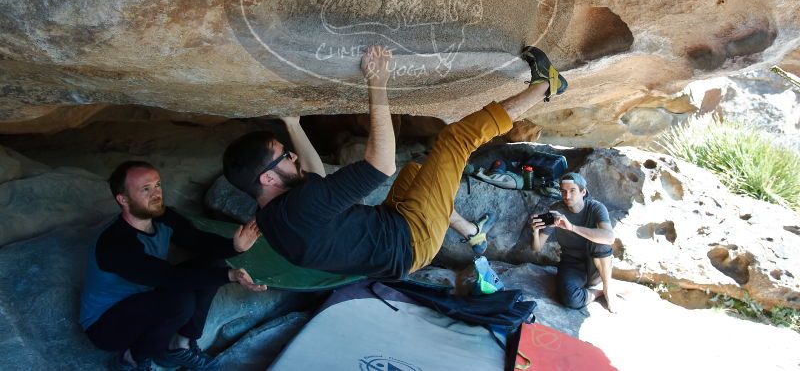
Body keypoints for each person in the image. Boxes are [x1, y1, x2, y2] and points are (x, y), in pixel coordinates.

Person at [223, 44, 567, 280]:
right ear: (267, 178)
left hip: (393, 226)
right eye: (284, 156)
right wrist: (378, 82)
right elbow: (380, 165)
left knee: (418, 173)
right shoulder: (299, 208)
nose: (292, 155)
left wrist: (293, 125)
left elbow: (313, 173)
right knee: (455, 141)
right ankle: (547, 84)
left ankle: (469, 231)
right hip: (413, 239)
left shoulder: (271, 217)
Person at [79, 161, 267, 371]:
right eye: (146, 189)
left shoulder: (164, 218)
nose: (156, 193)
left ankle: (180, 345)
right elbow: (169, 277)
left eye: (157, 185)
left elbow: (199, 242)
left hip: (148, 297)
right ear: (123, 199)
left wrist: (235, 247)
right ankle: (131, 358)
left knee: (211, 263)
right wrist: (229, 276)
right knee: (180, 301)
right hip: (107, 326)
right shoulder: (116, 243)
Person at [529, 172, 616, 312]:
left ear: (583, 192)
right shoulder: (557, 211)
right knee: (570, 299)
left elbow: (609, 238)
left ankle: (607, 288)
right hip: (572, 265)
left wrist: (572, 228)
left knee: (600, 240)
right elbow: (536, 248)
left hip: (596, 265)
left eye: (572, 191)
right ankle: (598, 292)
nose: (567, 196)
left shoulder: (595, 208)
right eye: (563, 191)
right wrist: (534, 231)